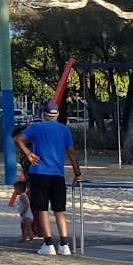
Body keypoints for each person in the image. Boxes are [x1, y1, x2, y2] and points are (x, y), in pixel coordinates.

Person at [14, 103, 81, 256]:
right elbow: (71, 152)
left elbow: (18, 139)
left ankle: (48, 244)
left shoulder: (37, 127)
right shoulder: (64, 129)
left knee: (42, 210)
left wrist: (29, 154)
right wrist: (77, 173)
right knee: (59, 211)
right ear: (57, 115)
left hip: (39, 173)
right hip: (58, 175)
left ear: (43, 114)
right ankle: (64, 245)